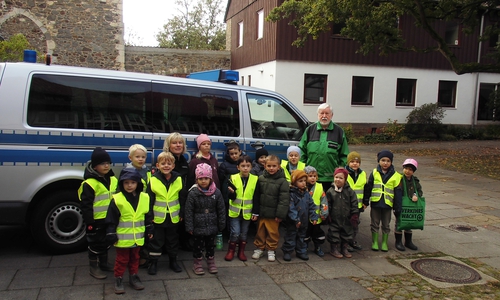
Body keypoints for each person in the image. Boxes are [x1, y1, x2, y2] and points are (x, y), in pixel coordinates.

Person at [105, 168, 153, 294]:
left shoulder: (144, 197)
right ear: (122, 184)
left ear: (138, 183)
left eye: (132, 182)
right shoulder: (117, 199)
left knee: (135, 258)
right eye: (126, 183)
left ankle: (133, 276)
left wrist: (149, 229)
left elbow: (147, 216)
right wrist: (111, 233)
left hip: (138, 237)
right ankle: (119, 278)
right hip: (122, 238)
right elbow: (111, 218)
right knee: (122, 259)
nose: (129, 185)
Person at [78, 147, 117, 279]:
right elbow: (86, 205)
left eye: (108, 163)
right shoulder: (89, 184)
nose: (106, 166)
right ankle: (93, 267)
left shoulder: (113, 180)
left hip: (109, 218)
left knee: (106, 242)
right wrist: (90, 223)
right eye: (102, 163)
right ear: (95, 166)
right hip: (96, 220)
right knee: (95, 243)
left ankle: (104, 263)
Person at [146, 152, 185, 275]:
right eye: (163, 163)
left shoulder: (178, 179)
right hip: (158, 218)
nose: (166, 166)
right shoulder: (153, 180)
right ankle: (153, 263)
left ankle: (173, 261)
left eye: (169, 163)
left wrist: (182, 213)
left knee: (172, 240)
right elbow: (149, 200)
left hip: (174, 216)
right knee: (156, 241)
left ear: (173, 166)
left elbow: (182, 197)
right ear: (158, 165)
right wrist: (150, 217)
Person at [184, 163, 226, 275]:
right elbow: (188, 211)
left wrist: (221, 224)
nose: (203, 181)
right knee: (198, 246)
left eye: (206, 178)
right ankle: (197, 263)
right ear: (197, 179)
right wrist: (189, 226)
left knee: (210, 245)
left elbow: (221, 209)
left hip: (212, 224)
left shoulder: (216, 193)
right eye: (201, 178)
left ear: (210, 179)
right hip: (198, 226)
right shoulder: (193, 193)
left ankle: (211, 261)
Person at [299, 103, 349, 192]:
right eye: (321, 113)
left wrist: (339, 171)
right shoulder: (310, 130)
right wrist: (303, 171)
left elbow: (344, 155)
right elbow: (302, 152)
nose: (324, 116)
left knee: (329, 204)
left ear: (332, 115)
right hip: (311, 178)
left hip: (330, 179)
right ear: (317, 115)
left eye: (327, 113)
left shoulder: (339, 131)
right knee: (312, 204)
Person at [363, 150, 402, 252]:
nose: (385, 163)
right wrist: (366, 201)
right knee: (374, 223)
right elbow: (369, 187)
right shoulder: (374, 172)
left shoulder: (396, 175)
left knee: (386, 224)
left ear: (391, 162)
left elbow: (398, 192)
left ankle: (384, 242)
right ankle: (375, 241)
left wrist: (397, 207)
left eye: (388, 161)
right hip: (376, 202)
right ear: (379, 161)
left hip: (387, 204)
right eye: (383, 160)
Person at [252, 155, 289, 262]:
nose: (271, 168)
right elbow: (256, 196)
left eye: (274, 166)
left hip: (274, 214)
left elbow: (284, 200)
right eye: (269, 166)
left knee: (273, 233)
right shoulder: (261, 178)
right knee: (260, 231)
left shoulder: (282, 181)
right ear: (264, 166)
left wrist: (280, 214)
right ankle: (259, 247)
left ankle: (271, 249)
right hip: (262, 212)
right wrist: (255, 212)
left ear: (279, 167)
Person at [225, 155, 260, 261]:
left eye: (248, 166)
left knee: (244, 233)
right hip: (235, 211)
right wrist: (232, 193)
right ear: (238, 167)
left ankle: (241, 252)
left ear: (251, 167)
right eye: (243, 166)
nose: (245, 168)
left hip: (247, 212)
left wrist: (255, 213)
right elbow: (230, 196)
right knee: (235, 232)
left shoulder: (255, 179)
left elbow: (256, 197)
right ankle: (231, 251)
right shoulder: (233, 178)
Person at [163, 132, 191, 252]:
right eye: (174, 143)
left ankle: (182, 244)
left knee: (182, 220)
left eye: (180, 143)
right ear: (169, 146)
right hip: (169, 199)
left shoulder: (184, 161)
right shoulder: (166, 160)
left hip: (182, 196)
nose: (178, 145)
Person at [282, 170, 318, 261]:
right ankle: (287, 251)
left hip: (304, 220)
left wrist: (314, 216)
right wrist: (296, 219)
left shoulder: (306, 194)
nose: (303, 183)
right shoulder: (291, 194)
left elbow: (311, 205)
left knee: (302, 237)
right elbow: (291, 208)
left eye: (304, 181)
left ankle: (301, 251)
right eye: (300, 181)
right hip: (293, 221)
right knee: (290, 236)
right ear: (294, 182)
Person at [126, 144, 151, 268]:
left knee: (143, 231)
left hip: (144, 205)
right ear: (130, 158)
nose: (140, 159)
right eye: (137, 157)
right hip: (133, 206)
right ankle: (132, 257)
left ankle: (142, 256)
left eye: (143, 157)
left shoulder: (146, 171)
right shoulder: (128, 172)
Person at [326, 167, 359, 258]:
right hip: (334, 217)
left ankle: (344, 248)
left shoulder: (349, 191)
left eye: (341, 178)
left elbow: (354, 203)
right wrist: (327, 214)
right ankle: (334, 248)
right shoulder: (330, 191)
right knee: (334, 233)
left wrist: (355, 214)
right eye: (336, 177)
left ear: (345, 179)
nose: (338, 180)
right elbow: (327, 204)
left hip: (346, 217)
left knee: (347, 233)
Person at [394, 158, 422, 251]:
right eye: (406, 168)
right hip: (400, 204)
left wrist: (416, 195)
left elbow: (419, 191)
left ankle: (408, 241)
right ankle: (398, 242)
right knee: (399, 222)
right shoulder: (399, 178)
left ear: (413, 171)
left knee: (409, 223)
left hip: (411, 205)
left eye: (410, 169)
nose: (407, 171)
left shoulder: (415, 181)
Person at [304, 166, 329, 257]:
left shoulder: (319, 187)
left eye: (314, 176)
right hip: (305, 217)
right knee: (305, 232)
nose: (313, 178)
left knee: (317, 232)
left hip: (317, 216)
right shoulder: (302, 187)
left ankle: (317, 246)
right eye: (310, 176)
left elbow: (324, 201)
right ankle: (305, 246)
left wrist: (324, 213)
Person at [345, 151, 367, 251]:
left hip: (357, 205)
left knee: (355, 224)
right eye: (352, 161)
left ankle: (353, 241)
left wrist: (365, 202)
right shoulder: (344, 173)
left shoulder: (362, 174)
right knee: (346, 224)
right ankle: (346, 243)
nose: (355, 163)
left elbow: (366, 188)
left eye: (357, 162)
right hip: (346, 204)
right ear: (348, 163)